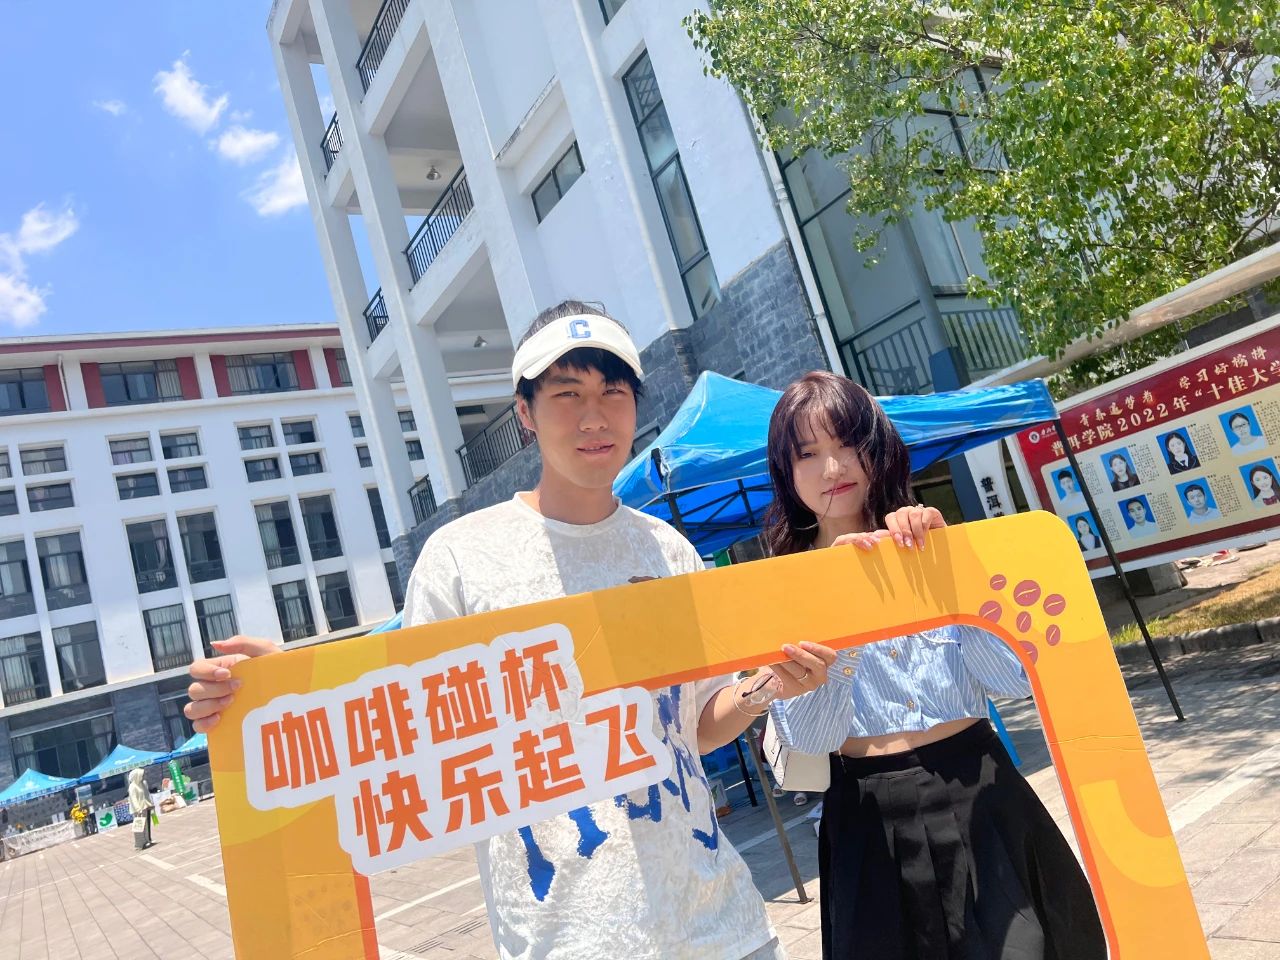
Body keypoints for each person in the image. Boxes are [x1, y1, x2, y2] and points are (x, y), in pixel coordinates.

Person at [185, 300, 839, 960]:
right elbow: (405, 730)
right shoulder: (461, 559)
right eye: (567, 394)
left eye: (613, 392)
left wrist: (764, 688)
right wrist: (289, 690)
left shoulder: (668, 551)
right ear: (525, 413)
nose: (594, 417)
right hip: (568, 942)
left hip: (725, 927)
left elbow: (694, 726)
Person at [763, 371, 1105, 960]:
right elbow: (812, 737)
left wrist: (952, 574)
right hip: (868, 815)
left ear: (876, 446)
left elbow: (1013, 681)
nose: (832, 468)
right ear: (786, 473)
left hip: (981, 788)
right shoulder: (781, 588)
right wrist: (839, 605)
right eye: (808, 454)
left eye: (847, 444)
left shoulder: (930, 545)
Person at [128, 768, 154, 850]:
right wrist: (138, 809)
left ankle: (147, 840)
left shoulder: (141, 784)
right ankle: (139, 844)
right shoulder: (132, 786)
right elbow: (133, 799)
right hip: (138, 810)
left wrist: (150, 804)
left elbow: (146, 795)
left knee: (146, 825)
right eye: (141, 775)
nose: (142, 777)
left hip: (144, 807)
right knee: (138, 827)